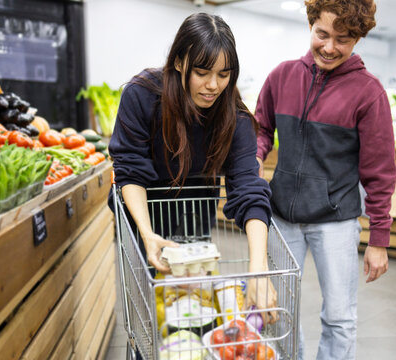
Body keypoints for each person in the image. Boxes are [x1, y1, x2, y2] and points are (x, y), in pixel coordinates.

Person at [109, 12, 277, 324]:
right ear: (178, 62)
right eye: (202, 72)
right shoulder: (142, 96)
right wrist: (147, 234)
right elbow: (129, 172)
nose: (213, 86)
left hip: (195, 205)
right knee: (153, 296)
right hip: (144, 206)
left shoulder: (234, 118)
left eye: (224, 74)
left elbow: (249, 190)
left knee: (191, 296)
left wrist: (258, 268)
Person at [254, 0, 396, 359]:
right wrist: (255, 154)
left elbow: (380, 173)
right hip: (282, 218)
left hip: (336, 221)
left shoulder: (369, 92)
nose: (330, 47)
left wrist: (379, 239)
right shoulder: (282, 76)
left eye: (343, 39)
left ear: (357, 40)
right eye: (323, 34)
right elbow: (260, 129)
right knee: (280, 312)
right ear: (311, 24)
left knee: (338, 317)